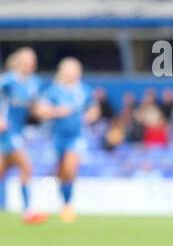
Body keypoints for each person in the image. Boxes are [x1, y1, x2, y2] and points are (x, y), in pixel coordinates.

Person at [33, 57, 99, 223]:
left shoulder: (85, 90)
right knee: (62, 171)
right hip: (56, 137)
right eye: (68, 70)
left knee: (70, 167)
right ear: (62, 72)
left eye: (74, 70)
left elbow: (94, 110)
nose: (71, 73)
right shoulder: (53, 91)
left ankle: (68, 205)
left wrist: (90, 116)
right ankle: (65, 204)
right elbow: (40, 110)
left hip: (76, 136)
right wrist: (56, 111)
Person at [0, 47, 46, 224]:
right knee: (26, 166)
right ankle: (28, 210)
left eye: (32, 59)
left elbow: (35, 108)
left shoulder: (35, 83)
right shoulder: (7, 81)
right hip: (7, 131)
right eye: (26, 59)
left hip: (18, 131)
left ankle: (28, 210)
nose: (30, 63)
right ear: (18, 61)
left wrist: (52, 112)